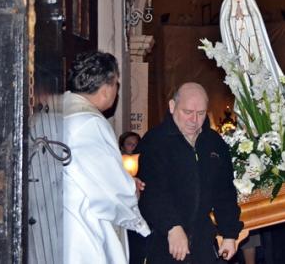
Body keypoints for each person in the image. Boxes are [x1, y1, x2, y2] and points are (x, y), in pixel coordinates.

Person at [137, 82, 242, 263]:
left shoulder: (214, 143)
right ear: (172, 106)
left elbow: (224, 192)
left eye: (200, 113)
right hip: (165, 239)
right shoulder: (155, 142)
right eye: (187, 112)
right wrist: (172, 226)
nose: (194, 120)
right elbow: (152, 192)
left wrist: (229, 234)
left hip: (203, 241)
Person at [62, 51, 150, 264]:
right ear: (106, 89)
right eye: (116, 84)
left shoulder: (54, 113)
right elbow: (112, 189)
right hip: (85, 229)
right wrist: (131, 187)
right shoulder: (90, 124)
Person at [119, 131, 148, 264]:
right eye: (129, 144)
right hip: (125, 216)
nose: (133, 147)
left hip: (142, 215)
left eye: (136, 144)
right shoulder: (117, 166)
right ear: (122, 147)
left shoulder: (146, 166)